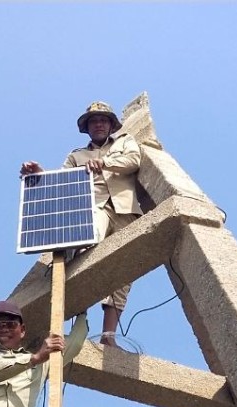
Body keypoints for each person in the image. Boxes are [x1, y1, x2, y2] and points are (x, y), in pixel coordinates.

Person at [20, 101, 142, 347]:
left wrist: (104, 163)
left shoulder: (124, 142)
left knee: (124, 271)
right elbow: (61, 181)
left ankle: (108, 336)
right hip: (94, 207)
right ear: (87, 128)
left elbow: (134, 160)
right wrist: (39, 174)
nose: (98, 124)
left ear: (111, 125)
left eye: (103, 120)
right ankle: (78, 309)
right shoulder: (76, 155)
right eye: (93, 121)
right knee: (87, 245)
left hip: (126, 209)